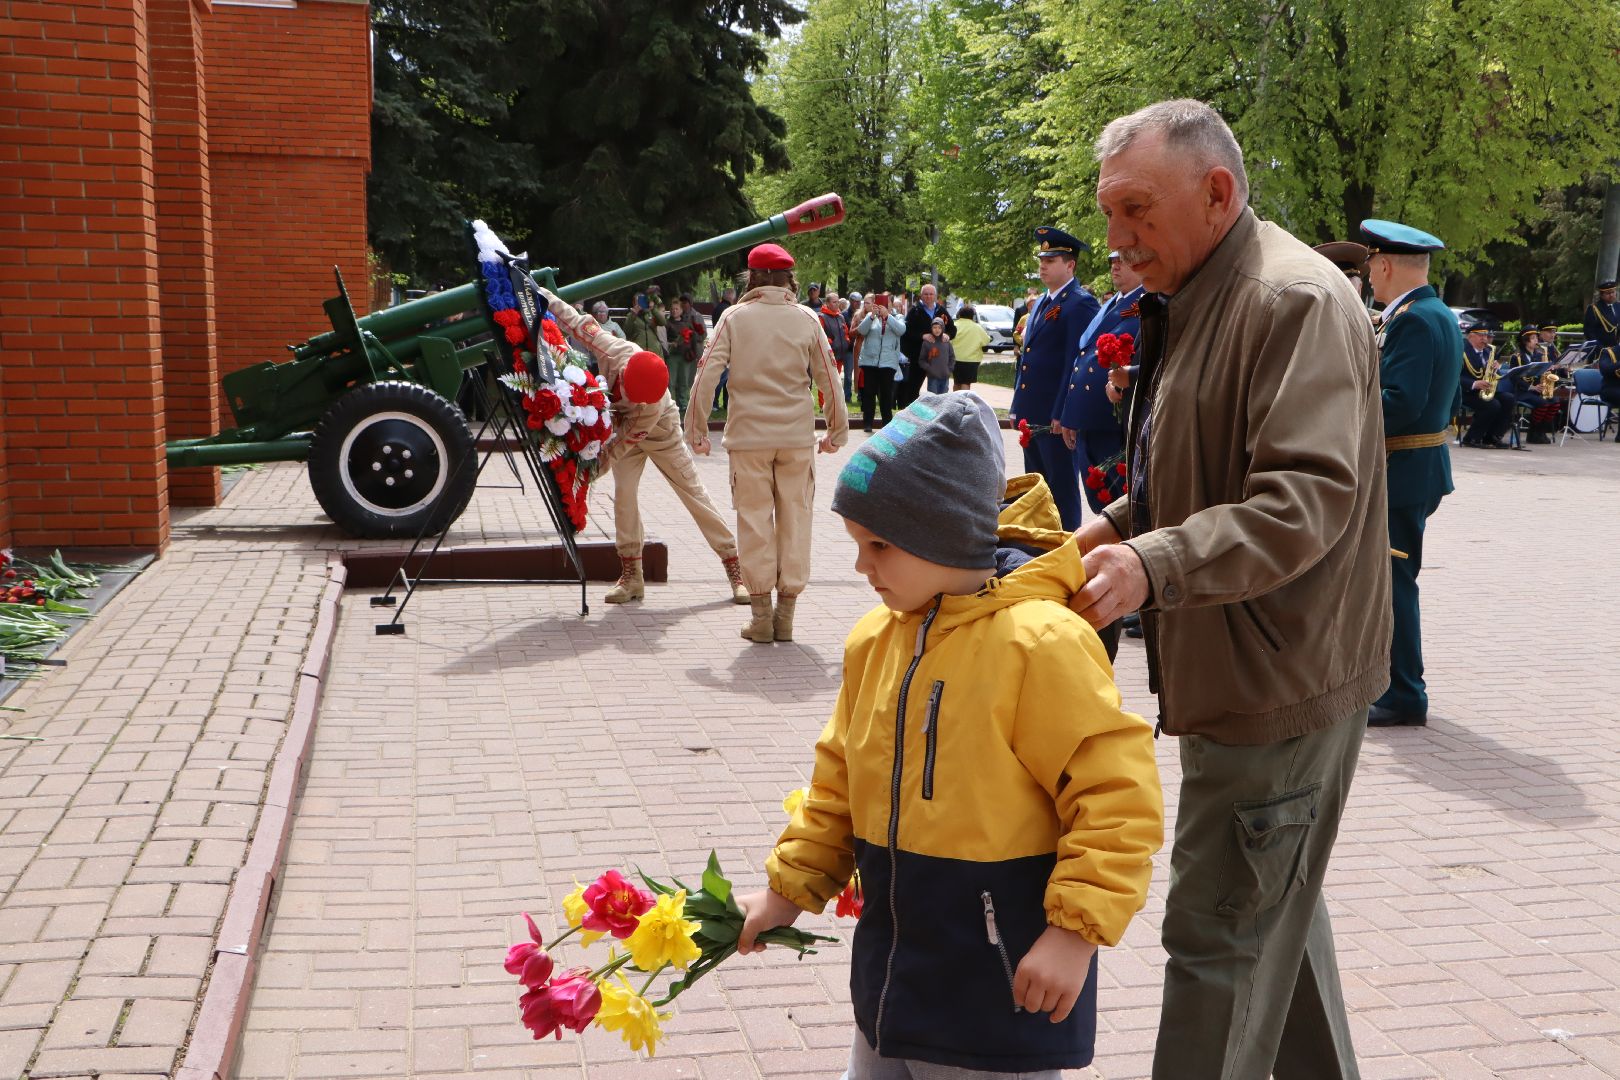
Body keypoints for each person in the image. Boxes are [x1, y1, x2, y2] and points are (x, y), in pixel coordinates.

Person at [1073, 99, 1390, 1080]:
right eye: (1108, 213)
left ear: (1217, 193)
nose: (1116, 239)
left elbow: (1302, 500)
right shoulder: (1210, 291)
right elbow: (1198, 473)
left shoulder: (1287, 300)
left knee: (1217, 945)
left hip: (1274, 685)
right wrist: (1108, 532)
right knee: (1268, 921)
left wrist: (1152, 564)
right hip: (1251, 669)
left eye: (1136, 210)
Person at [735, 392, 1163, 1080]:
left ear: (943, 533)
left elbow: (1118, 803)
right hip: (894, 981)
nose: (861, 566)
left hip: (999, 986)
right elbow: (837, 783)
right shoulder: (876, 640)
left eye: (880, 545)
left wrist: (1073, 936)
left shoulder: (1041, 643)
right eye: (857, 544)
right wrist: (787, 891)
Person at [538, 288, 749, 606]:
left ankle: (736, 569)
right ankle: (632, 577)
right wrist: (541, 296)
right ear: (623, 374)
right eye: (632, 394)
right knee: (624, 497)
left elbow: (617, 448)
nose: (636, 400)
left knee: (694, 495)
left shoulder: (648, 407)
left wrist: (586, 475)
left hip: (660, 433)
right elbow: (577, 322)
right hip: (625, 426)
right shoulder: (613, 349)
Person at [685, 243, 848, 643]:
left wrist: (697, 430)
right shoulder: (807, 319)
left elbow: (706, 375)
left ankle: (760, 619)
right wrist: (837, 431)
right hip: (795, 438)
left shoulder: (733, 318)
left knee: (754, 521)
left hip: (748, 439)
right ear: (790, 278)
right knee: (796, 519)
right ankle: (786, 616)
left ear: (752, 277)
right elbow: (830, 377)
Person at [1361, 219, 1463, 728]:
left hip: (1401, 471)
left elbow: (1398, 403)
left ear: (1383, 263)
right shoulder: (1433, 314)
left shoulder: (1413, 320)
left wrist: (1341, 405)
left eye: (1370, 264)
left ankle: (1404, 694)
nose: (1369, 274)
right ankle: (1395, 685)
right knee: (1392, 579)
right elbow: (1453, 398)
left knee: (1393, 582)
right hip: (1413, 468)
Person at [1008, 226, 1100, 532]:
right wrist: (1017, 406)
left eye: (1052, 259)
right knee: (1036, 492)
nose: (1043, 265)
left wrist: (1063, 413)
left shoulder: (1079, 303)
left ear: (1070, 264)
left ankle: (1066, 549)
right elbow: (1027, 360)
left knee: (1060, 492)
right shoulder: (1043, 303)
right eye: (1042, 259)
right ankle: (1040, 551)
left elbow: (1075, 363)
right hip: (1033, 415)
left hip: (1054, 417)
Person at [898, 283, 955, 407]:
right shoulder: (915, 311)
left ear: (935, 296)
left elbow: (952, 329)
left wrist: (948, 335)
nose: (928, 297)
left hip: (938, 360)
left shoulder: (942, 311)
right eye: (926, 294)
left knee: (938, 393)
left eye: (931, 294)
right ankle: (910, 413)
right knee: (912, 387)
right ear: (921, 296)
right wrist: (922, 336)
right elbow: (906, 332)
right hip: (919, 356)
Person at [855, 295, 905, 431]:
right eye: (880, 302)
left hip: (888, 362)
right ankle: (867, 423)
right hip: (870, 360)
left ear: (891, 304)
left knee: (886, 393)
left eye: (887, 302)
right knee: (869, 392)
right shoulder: (871, 316)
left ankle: (887, 423)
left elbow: (901, 330)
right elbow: (861, 330)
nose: (883, 304)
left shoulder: (898, 317)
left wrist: (887, 316)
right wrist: (871, 316)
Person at [1459, 325, 1513, 448]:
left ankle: (1492, 436)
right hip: (1466, 391)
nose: (1485, 339)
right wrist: (1474, 384)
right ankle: (1472, 438)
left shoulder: (1488, 352)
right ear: (1471, 336)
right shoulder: (1461, 352)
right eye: (1481, 335)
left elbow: (1496, 376)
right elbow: (1453, 375)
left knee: (1508, 399)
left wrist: (1496, 369)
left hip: (1484, 389)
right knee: (1492, 405)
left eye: (1486, 335)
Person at [1507, 327, 1557, 443]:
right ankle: (1533, 433)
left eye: (1536, 338)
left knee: (1555, 402)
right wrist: (1531, 387)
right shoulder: (1517, 357)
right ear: (1525, 341)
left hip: (1536, 390)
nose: (1536, 341)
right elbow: (1513, 377)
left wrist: (1548, 371)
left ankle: (1541, 431)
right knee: (1542, 404)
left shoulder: (1538, 355)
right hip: (1521, 391)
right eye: (1533, 338)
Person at [664, 295, 707, 413]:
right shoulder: (667, 324)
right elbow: (663, 339)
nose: (674, 311)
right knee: (671, 381)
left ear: (681, 310)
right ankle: (671, 403)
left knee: (684, 381)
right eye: (672, 309)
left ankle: (683, 403)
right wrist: (671, 344)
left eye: (676, 309)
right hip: (673, 356)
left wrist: (694, 352)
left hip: (685, 356)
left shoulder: (687, 323)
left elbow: (696, 337)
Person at [816, 289, 855, 406]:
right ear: (827, 303)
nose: (837, 304)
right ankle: (823, 404)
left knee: (836, 381)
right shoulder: (822, 317)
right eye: (834, 302)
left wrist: (846, 341)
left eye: (837, 302)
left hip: (840, 354)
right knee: (825, 381)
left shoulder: (840, 317)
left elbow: (845, 331)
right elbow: (820, 334)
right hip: (829, 354)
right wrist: (831, 343)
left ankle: (833, 403)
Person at [1590, 280, 1620, 413]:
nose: (1611, 295)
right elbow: (1590, 333)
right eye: (1608, 293)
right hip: (1604, 351)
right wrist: (1601, 350)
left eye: (1613, 292)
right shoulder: (1594, 309)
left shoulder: (1619, 306)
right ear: (1601, 295)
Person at [950, 304, 991, 390]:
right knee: (966, 383)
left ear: (959, 314)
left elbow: (949, 340)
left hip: (955, 358)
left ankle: (955, 401)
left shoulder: (954, 325)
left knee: (957, 382)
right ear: (972, 316)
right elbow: (986, 341)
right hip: (971, 360)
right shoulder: (977, 327)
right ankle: (963, 402)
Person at [918, 316, 956, 394]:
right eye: (934, 327)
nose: (937, 330)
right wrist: (930, 369)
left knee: (943, 399)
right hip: (933, 377)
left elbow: (952, 357)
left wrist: (949, 370)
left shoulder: (946, 342)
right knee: (933, 399)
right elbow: (921, 360)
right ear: (931, 328)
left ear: (943, 329)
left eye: (939, 327)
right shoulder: (927, 343)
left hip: (945, 377)